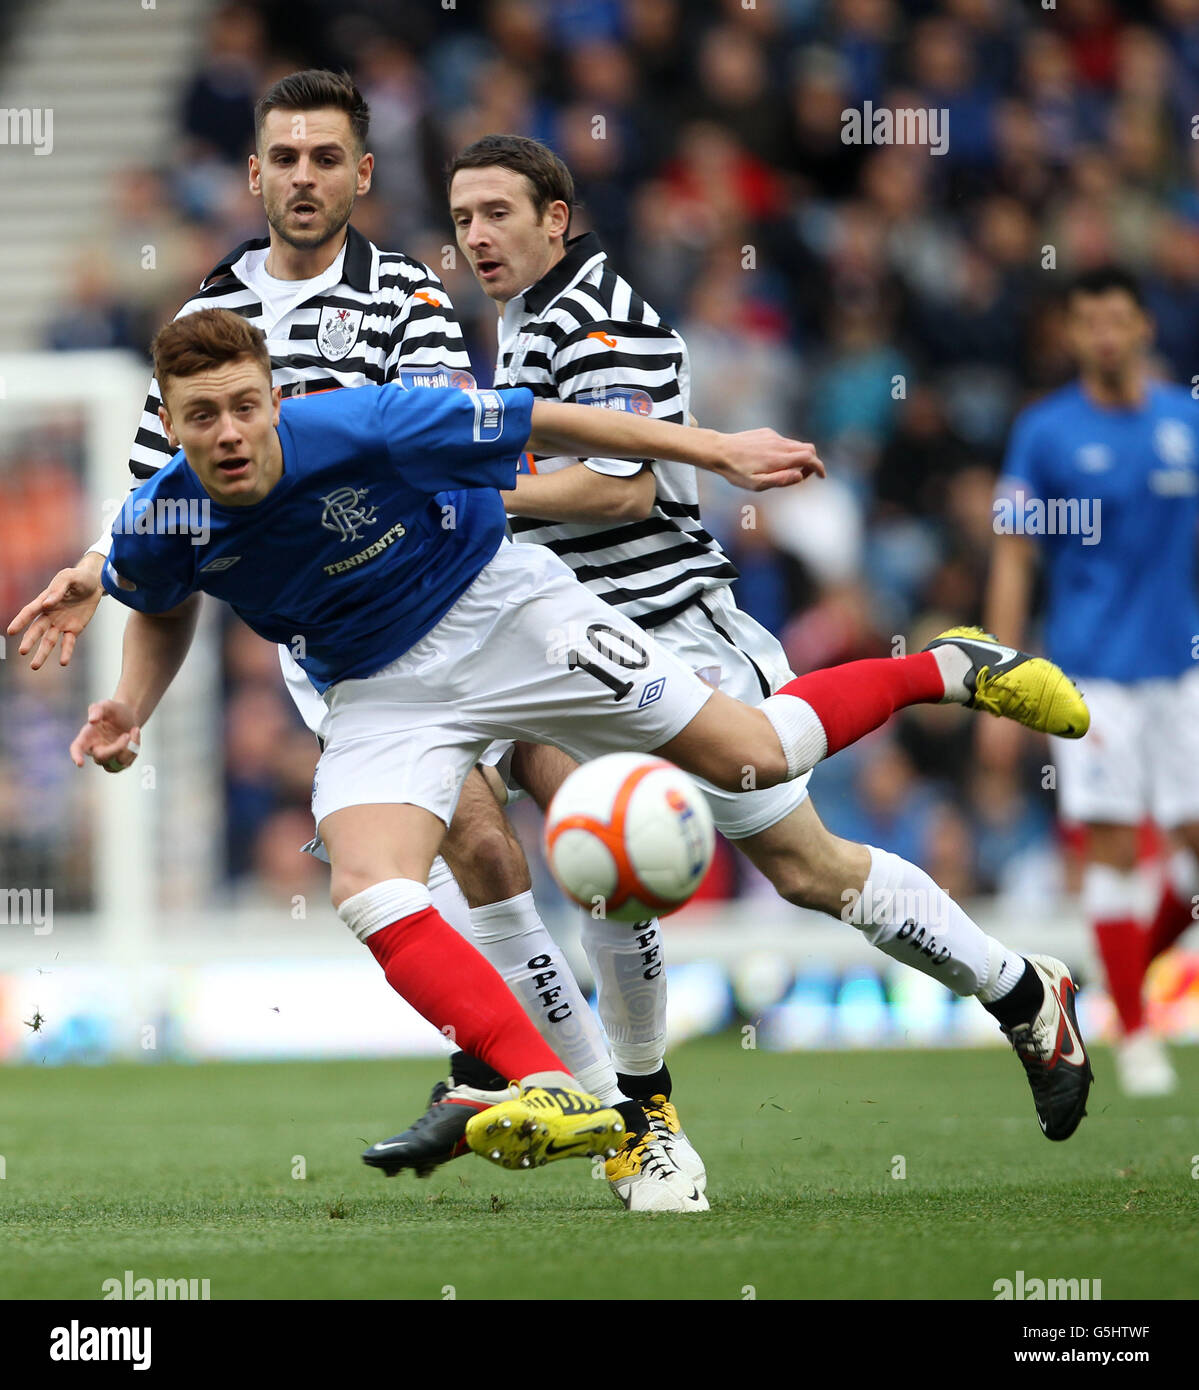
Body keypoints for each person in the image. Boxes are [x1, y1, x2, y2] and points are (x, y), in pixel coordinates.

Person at [73, 309, 1090, 1169]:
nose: (230, 431)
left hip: (506, 614)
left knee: (753, 758)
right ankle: (552, 1081)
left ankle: (944, 669)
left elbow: (539, 417)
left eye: (247, 405)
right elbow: (159, 604)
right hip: (380, 693)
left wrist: (720, 449)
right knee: (368, 882)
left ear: (275, 398)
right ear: (169, 421)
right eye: (202, 416)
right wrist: (130, 704)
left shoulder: (366, 424)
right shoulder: (158, 517)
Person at [5, 71, 722, 1203]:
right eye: (282, 157)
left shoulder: (402, 292)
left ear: (359, 175)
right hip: (348, 646)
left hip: (468, 590)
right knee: (480, 845)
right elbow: (167, 489)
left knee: (593, 825)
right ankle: (607, 1118)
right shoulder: (211, 316)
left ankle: (612, 1086)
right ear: (253, 173)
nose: (302, 176)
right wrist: (104, 569)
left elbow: (448, 435)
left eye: (324, 157)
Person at [369, 135, 1097, 1183]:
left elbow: (618, 490)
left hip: (662, 629)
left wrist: (465, 498)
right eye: (462, 216)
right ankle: (1022, 994)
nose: (475, 236)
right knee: (755, 864)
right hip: (559, 638)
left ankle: (630, 1111)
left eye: (497, 213)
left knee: (749, 861)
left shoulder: (600, 319)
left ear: (556, 218)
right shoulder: (525, 314)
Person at [984, 265, 1199, 1097]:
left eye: (1118, 318)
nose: (1105, 334)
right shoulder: (1045, 432)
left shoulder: (1185, 422)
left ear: (1143, 328)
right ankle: (1136, 1033)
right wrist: (997, 677)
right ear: (1071, 335)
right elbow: (1012, 551)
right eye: (1088, 321)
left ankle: (1118, 985)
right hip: (1092, 677)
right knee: (1113, 848)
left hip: (1180, 668)